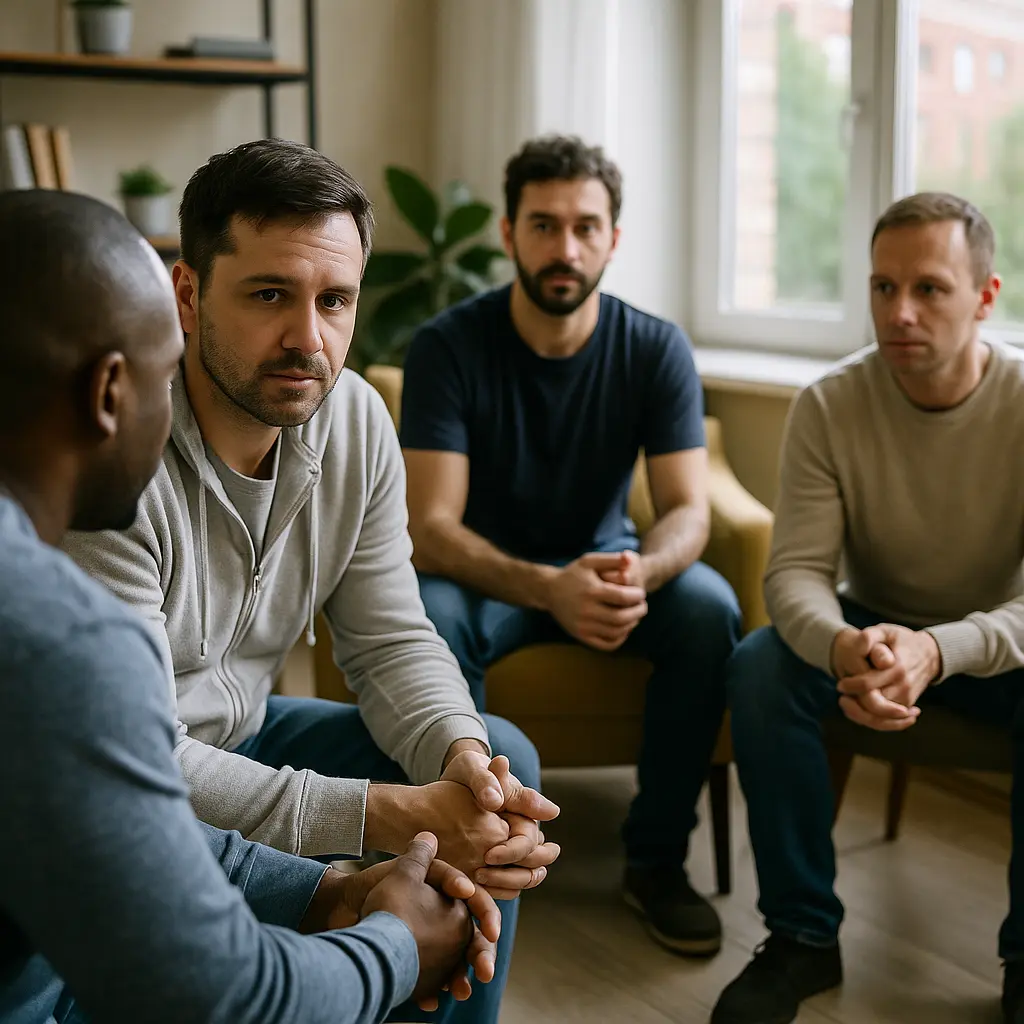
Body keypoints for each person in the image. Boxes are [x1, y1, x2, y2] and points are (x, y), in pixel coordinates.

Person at [62, 139, 559, 1024]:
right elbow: (136, 757)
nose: (309, 338)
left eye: (335, 301)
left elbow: (389, 637)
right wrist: (388, 811)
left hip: (248, 731)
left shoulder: (358, 418)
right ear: (187, 295)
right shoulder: (114, 449)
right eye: (268, 296)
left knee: (498, 756)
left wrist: (466, 771)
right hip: (138, 774)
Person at [399, 134, 742, 957]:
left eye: (586, 227)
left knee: (708, 610)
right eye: (545, 225)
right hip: (484, 575)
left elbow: (689, 509)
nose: (567, 247)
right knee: (432, 620)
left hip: (608, 565)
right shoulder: (449, 346)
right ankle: (461, 856)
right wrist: (548, 586)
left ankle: (656, 860)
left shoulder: (655, 347)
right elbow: (431, 529)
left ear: (613, 239)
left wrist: (642, 571)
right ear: (510, 233)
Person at [715, 192, 1024, 1024]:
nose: (900, 312)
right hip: (870, 629)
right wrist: (848, 645)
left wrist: (940, 651)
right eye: (883, 288)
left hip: (992, 646)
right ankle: (801, 937)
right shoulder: (830, 403)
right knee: (761, 663)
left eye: (929, 289)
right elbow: (797, 575)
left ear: (986, 297)